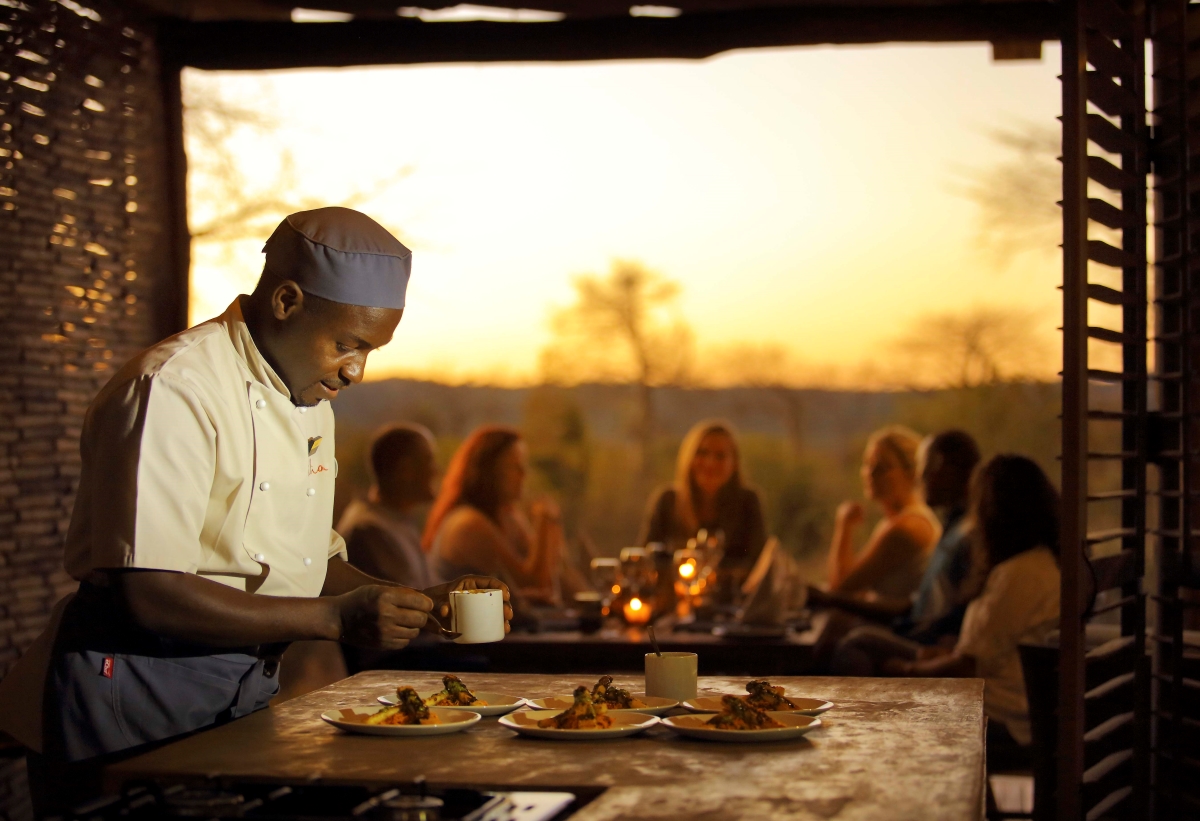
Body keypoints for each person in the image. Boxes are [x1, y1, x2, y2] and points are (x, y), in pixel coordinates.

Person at [0, 208, 511, 808]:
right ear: (287, 301)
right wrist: (335, 620)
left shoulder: (308, 396)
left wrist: (418, 603)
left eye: (370, 350)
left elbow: (308, 558)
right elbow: (148, 592)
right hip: (126, 695)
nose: (357, 371)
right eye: (348, 344)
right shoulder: (175, 387)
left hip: (238, 691)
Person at [881, 455, 1061, 751]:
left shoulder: (1017, 574)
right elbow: (991, 649)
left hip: (1001, 715)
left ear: (995, 511)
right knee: (867, 645)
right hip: (1011, 704)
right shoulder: (1039, 563)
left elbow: (966, 666)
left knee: (866, 659)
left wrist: (904, 671)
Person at [826, 430, 982, 675]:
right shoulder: (950, 527)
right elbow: (919, 605)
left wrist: (915, 665)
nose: (922, 477)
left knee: (852, 643)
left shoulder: (953, 534)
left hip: (928, 641)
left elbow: (842, 585)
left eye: (927, 467)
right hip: (918, 630)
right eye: (868, 465)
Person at [424, 426, 563, 602]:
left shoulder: (509, 516)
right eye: (514, 466)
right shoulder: (468, 523)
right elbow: (535, 583)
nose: (523, 473)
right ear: (489, 471)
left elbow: (553, 577)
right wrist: (543, 524)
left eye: (523, 465)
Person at [640, 420, 767, 586]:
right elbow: (645, 559)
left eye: (720, 456)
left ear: (734, 463)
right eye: (702, 453)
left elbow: (760, 564)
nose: (710, 463)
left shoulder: (748, 502)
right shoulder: (667, 501)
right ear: (689, 457)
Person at [824, 425, 941, 601]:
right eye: (867, 464)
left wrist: (843, 525)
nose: (869, 473)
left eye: (882, 467)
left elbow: (840, 587)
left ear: (911, 473)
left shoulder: (906, 528)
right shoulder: (895, 522)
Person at [338, 424, 438, 590]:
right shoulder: (369, 532)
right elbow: (411, 603)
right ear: (405, 470)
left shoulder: (395, 520)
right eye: (429, 460)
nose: (436, 470)